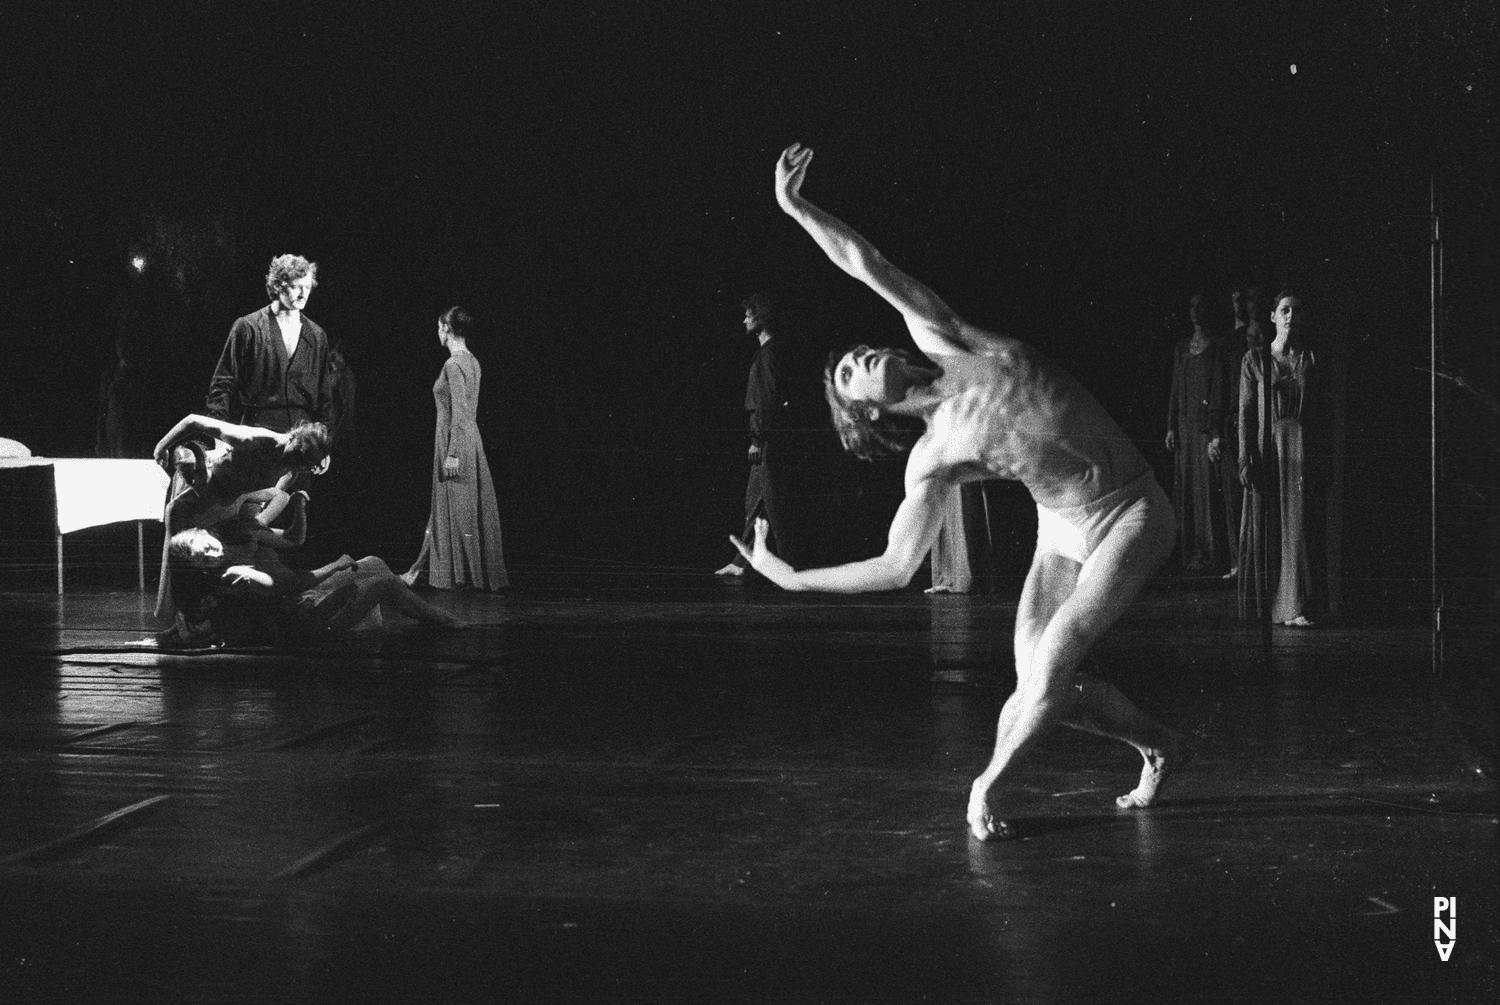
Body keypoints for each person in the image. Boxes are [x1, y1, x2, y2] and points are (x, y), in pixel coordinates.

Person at [732, 143, 1188, 842]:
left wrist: (796, 208)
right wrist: (791, 579)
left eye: (858, 352)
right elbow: (894, 565)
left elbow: (867, 265)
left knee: (1058, 650)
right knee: (1042, 680)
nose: (863, 356)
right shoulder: (932, 459)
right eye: (853, 372)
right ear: (867, 412)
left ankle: (989, 785)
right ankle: (1158, 743)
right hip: (1062, 528)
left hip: (1133, 509)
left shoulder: (946, 337)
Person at [168, 506, 465, 642]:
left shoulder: (239, 542)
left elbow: (278, 505)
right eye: (204, 557)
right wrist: (335, 566)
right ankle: (437, 618)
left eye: (208, 545)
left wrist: (298, 500)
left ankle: (383, 619)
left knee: (373, 562)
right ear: (200, 567)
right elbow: (289, 585)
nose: (212, 552)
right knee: (384, 583)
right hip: (304, 620)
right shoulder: (233, 573)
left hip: (303, 602)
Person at [151, 414, 330, 620]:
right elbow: (192, 421)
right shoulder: (252, 439)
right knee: (182, 548)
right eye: (299, 460)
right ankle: (180, 620)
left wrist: (257, 519)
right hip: (204, 485)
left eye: (304, 464)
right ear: (291, 439)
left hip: (231, 501)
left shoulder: (294, 465)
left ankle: (205, 618)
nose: (298, 465)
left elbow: (278, 487)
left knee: (220, 558)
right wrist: (162, 446)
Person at [1237, 290, 1328, 626]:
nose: (1290, 315)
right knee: (1269, 524)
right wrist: (1246, 456)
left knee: (1297, 526)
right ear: (1273, 316)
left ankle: (1295, 605)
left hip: (1301, 448)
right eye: (1284, 309)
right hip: (1268, 449)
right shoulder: (1255, 360)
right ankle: (1268, 605)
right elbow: (1245, 413)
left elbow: (1321, 412)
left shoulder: (1310, 358)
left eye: (1296, 310)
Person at [402, 307, 508, 590]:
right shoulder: (472, 361)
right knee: (448, 509)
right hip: (468, 441)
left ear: (446, 328)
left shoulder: (453, 364)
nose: (437, 333)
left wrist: (452, 454)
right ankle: (417, 570)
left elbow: (461, 412)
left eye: (439, 327)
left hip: (455, 443)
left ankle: (462, 576)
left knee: (459, 510)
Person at [715, 292, 804, 576]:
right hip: (767, 438)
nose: (744, 320)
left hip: (767, 440)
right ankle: (741, 562)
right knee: (756, 503)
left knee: (774, 505)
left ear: (761, 318)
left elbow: (766, 401)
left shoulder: (769, 354)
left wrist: (757, 439)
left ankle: (793, 564)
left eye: (748, 314)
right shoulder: (769, 352)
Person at [207, 254, 336, 439]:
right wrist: (216, 434)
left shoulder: (317, 336)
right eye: (295, 286)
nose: (303, 293)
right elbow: (222, 386)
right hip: (257, 434)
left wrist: (324, 445)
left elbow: (325, 399)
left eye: (307, 287)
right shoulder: (248, 327)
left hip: (303, 439)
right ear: (277, 285)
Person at [1165, 294, 1237, 572]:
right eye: (1192, 306)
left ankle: (1211, 557)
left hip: (1204, 428)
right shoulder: (1182, 347)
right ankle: (1189, 557)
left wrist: (1214, 429)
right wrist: (1170, 425)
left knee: (1207, 490)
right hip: (1184, 428)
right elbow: (1174, 388)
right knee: (1186, 488)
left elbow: (1219, 386)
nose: (1196, 312)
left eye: (1201, 306)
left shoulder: (1218, 345)